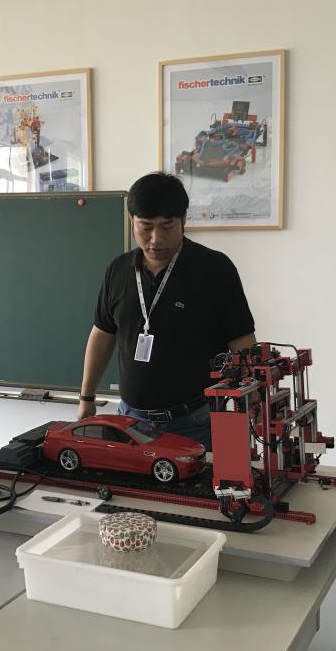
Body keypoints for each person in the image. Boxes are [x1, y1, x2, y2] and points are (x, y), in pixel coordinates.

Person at [76, 172, 256, 449]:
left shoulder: (215, 269)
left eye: (166, 227)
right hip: (129, 420)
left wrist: (254, 405)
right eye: (145, 227)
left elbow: (242, 341)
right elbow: (102, 334)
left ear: (183, 220)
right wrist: (86, 398)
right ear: (132, 220)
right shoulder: (118, 270)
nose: (155, 239)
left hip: (196, 422)